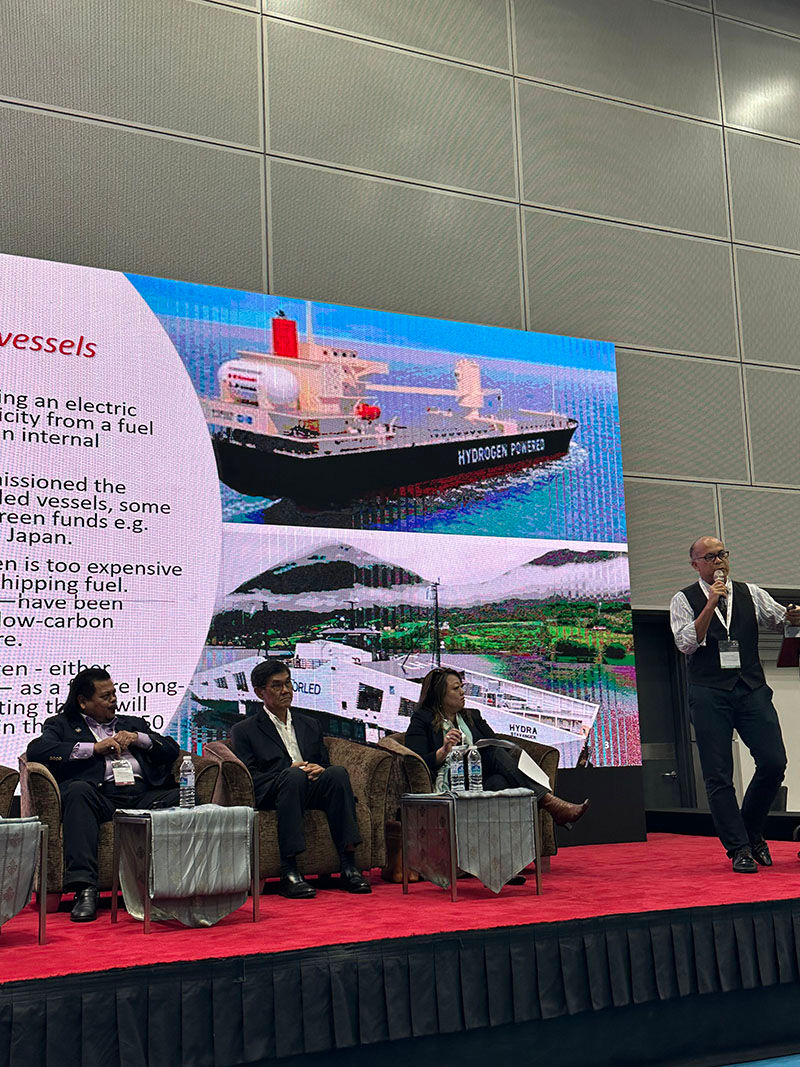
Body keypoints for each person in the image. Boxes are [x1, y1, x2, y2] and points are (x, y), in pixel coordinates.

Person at [670, 536, 800, 873]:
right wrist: (711, 601)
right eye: (710, 557)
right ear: (695, 564)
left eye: (722, 554)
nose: (719, 561)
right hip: (709, 692)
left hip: (751, 687)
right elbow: (686, 643)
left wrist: (793, 616)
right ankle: (739, 847)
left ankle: (751, 830)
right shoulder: (683, 599)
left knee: (773, 762)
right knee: (718, 774)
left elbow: (780, 619)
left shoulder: (750, 592)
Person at [26, 667, 180, 922]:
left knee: (188, 798)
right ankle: (85, 889)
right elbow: (37, 751)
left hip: (143, 795)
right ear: (83, 702)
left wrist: (138, 738)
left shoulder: (133, 723)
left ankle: (184, 883)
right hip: (101, 798)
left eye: (114, 694)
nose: (113, 700)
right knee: (77, 791)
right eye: (106, 696)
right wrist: (93, 748)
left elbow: (171, 750)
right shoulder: (62, 725)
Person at [231, 659, 370, 899]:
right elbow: (249, 776)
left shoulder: (310, 724)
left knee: (337, 773)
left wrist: (319, 768)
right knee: (294, 775)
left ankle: (348, 867)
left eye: (288, 683)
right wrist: (288, 770)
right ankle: (289, 872)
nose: (286, 691)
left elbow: (323, 762)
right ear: (260, 692)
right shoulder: (244, 730)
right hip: (275, 790)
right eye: (277, 686)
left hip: (310, 786)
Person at [404, 668, 590, 835]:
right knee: (493, 753)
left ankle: (501, 852)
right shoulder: (422, 720)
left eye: (462, 687)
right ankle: (550, 804)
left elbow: (494, 743)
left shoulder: (472, 716)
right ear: (439, 695)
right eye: (455, 688)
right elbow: (416, 760)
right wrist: (444, 750)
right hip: (451, 780)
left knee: (499, 781)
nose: (462, 692)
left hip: (479, 779)